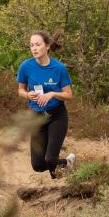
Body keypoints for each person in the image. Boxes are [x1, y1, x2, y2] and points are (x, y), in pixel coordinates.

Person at [17, 31, 75, 179]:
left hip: (57, 115)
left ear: (47, 46)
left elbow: (69, 95)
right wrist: (28, 94)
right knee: (37, 165)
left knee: (50, 159)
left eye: (38, 44)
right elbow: (20, 90)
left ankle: (59, 185)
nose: (34, 48)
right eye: (31, 45)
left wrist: (52, 94)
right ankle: (68, 163)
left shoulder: (59, 68)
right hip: (37, 117)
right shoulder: (26, 66)